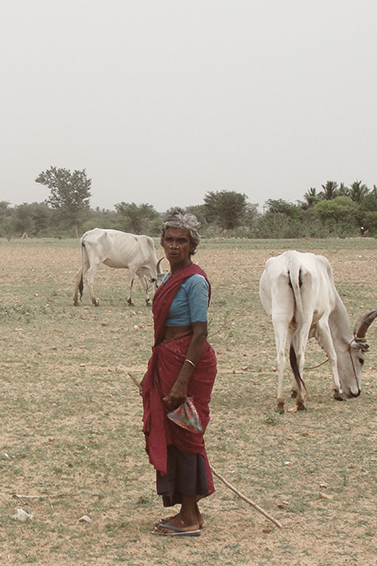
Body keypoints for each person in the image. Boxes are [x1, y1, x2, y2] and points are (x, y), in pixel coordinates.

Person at [141, 210, 217, 537]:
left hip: (188, 363)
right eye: (169, 240)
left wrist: (182, 381)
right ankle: (192, 512)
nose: (174, 246)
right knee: (177, 435)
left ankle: (187, 519)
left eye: (181, 241)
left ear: (192, 245)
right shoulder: (168, 278)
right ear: (162, 242)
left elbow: (199, 333)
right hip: (168, 360)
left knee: (187, 435)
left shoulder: (195, 281)